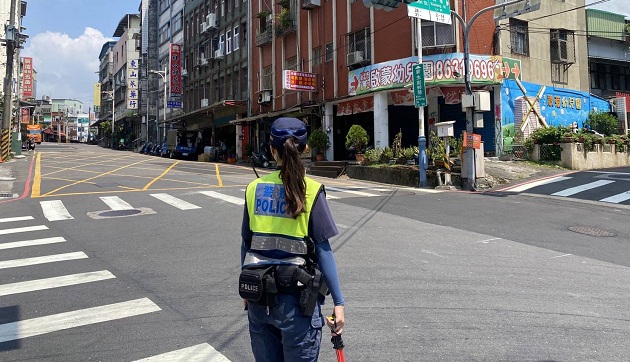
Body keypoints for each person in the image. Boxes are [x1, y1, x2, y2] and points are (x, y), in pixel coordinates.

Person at [240, 117, 345, 362]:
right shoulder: (311, 189)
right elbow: (323, 250)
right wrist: (338, 302)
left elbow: (246, 243)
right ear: (306, 149)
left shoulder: (254, 188)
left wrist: (247, 292)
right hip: (297, 305)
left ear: (271, 149)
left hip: (258, 298)